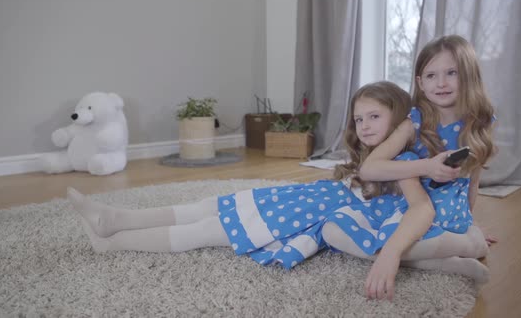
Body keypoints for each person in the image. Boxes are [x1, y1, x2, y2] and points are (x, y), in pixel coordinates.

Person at [67, 81, 486, 296]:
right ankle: (119, 219)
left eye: (374, 117)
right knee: (212, 204)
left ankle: (116, 241)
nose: (364, 126)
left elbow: (414, 211)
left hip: (305, 216)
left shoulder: (404, 164)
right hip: (302, 200)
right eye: (359, 119)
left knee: (211, 230)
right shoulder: (373, 160)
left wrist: (460, 233)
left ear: (399, 122)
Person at [346, 35, 497, 299]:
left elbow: (473, 180)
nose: (441, 83)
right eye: (431, 75)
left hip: (452, 218)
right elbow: (369, 169)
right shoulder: (414, 122)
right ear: (420, 83)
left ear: (469, 76)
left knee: (475, 243)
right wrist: (427, 166)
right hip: (412, 215)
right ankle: (441, 262)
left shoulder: (480, 124)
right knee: (339, 228)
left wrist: (470, 222)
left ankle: (404, 254)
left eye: (452, 73)